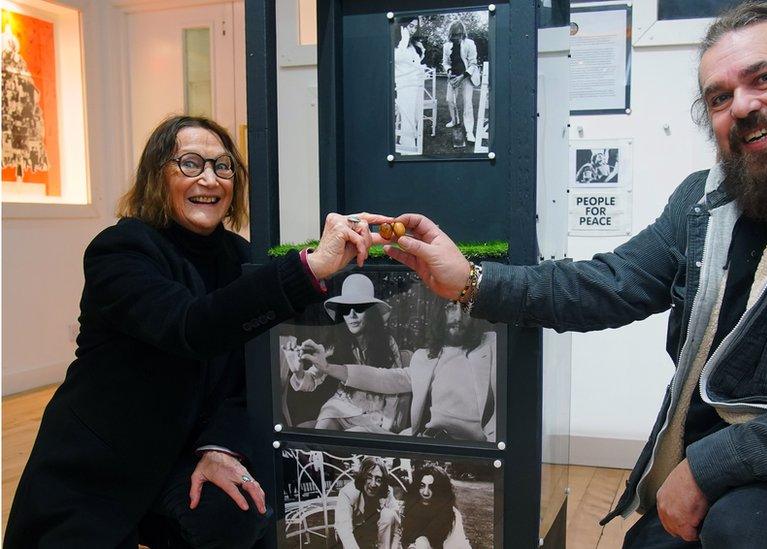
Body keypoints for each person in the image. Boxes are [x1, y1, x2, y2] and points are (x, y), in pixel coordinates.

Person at [377, 3, 767, 547]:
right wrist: (470, 280)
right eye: (718, 97)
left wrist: (707, 468)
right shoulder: (702, 205)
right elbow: (608, 284)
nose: (742, 105)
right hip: (734, 451)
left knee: (744, 530)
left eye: (764, 78)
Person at [3, 115, 381, 548]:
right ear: (156, 175)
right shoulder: (120, 249)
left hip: (184, 455)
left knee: (238, 513)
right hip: (102, 463)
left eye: (223, 167)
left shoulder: (239, 258)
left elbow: (249, 378)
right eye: (190, 164)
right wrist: (307, 268)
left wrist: (221, 446)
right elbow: (192, 326)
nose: (210, 179)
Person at [303, 300, 496, 441]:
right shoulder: (424, 358)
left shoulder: (492, 344)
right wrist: (326, 367)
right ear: (440, 313)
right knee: (349, 434)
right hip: (433, 439)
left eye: (465, 306)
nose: (458, 317)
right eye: (450, 307)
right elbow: (382, 378)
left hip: (478, 445)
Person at [289, 273, 405, 433]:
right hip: (341, 408)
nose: (351, 315)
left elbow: (397, 386)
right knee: (323, 429)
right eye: (345, 309)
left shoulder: (387, 342)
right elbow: (313, 378)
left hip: (375, 416)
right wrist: (299, 372)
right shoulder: (335, 344)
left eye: (358, 308)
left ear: (371, 312)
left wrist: (388, 424)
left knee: (350, 438)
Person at [333, 457, 402, 549]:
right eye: (369, 477)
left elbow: (397, 525)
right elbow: (345, 530)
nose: (373, 484)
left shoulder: (386, 491)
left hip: (376, 535)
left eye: (378, 479)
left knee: (388, 514)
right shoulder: (347, 493)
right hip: (352, 537)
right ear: (362, 477)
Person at [401, 464, 472, 549]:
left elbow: (457, 544)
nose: (425, 493)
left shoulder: (451, 514)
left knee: (421, 542)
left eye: (432, 487)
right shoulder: (410, 508)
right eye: (422, 486)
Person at [441, 20, 479, 144]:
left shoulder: (470, 44)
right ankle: (454, 121)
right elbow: (445, 62)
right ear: (451, 34)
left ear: (463, 33)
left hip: (467, 77)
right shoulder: (446, 46)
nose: (457, 37)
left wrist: (462, 77)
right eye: (454, 35)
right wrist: (449, 71)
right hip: (453, 77)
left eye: (459, 34)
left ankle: (469, 132)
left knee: (467, 103)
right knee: (450, 100)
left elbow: (473, 63)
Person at [395, 16, 426, 154]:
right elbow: (396, 59)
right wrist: (404, 39)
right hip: (403, 86)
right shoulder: (397, 44)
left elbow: (417, 63)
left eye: (415, 27)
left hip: (416, 84)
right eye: (410, 26)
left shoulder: (415, 45)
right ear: (403, 25)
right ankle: (409, 150)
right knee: (408, 117)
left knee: (415, 117)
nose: (412, 30)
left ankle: (406, 142)